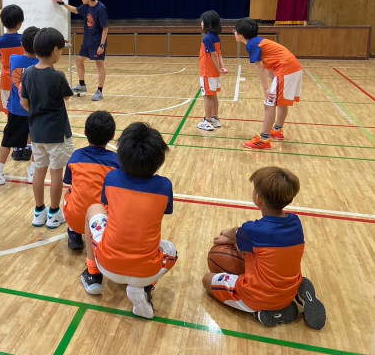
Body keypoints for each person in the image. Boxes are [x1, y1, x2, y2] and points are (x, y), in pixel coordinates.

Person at [202, 166, 326, 329]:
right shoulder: (296, 222)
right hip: (289, 289)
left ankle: (263, 312)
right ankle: (295, 296)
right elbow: (248, 240)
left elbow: (236, 233)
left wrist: (227, 234)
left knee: (207, 280)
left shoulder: (253, 230)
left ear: (258, 198)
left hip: (255, 296)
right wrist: (235, 238)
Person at [80, 122, 178, 320]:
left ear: (121, 154)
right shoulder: (165, 186)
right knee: (171, 251)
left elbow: (107, 205)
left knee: (94, 209)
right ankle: (145, 287)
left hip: (107, 264)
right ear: (159, 159)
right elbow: (165, 211)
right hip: (146, 271)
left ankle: (93, 273)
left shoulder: (112, 178)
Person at [20, 27, 74, 229]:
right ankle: (53, 213)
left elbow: (24, 102)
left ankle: (38, 211)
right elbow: (66, 96)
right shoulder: (57, 76)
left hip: (36, 132)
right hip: (57, 133)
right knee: (56, 173)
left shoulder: (27, 73)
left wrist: (36, 113)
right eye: (61, 50)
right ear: (55, 50)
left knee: (39, 170)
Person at [0, 26, 39, 186]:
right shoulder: (41, 65)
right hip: (35, 111)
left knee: (7, 141)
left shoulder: (14, 59)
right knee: (36, 141)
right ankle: (33, 171)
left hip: (17, 110)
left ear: (22, 44)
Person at [234, 18, 303, 149]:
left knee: (269, 103)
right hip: (293, 68)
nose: (234, 33)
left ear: (240, 34)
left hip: (286, 70)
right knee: (280, 102)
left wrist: (266, 89)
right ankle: (277, 130)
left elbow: (260, 66)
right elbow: (269, 66)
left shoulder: (252, 45)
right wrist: (273, 82)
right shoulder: (259, 42)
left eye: (234, 31)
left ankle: (264, 139)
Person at [62, 111, 121, 250]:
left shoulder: (76, 156)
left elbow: (69, 181)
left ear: (85, 133)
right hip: (103, 222)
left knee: (70, 192)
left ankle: (74, 233)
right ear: (112, 136)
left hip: (76, 219)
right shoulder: (117, 161)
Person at [54, 0, 108, 101]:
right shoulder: (86, 6)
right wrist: (63, 4)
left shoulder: (101, 8)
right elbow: (75, 10)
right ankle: (82, 85)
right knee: (79, 60)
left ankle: (99, 91)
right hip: (87, 41)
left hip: (97, 42)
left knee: (99, 64)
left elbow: (105, 28)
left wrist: (102, 45)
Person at [197, 10, 229, 131]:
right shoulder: (216, 37)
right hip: (214, 73)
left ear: (207, 23)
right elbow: (219, 55)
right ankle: (215, 118)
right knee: (213, 96)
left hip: (208, 72)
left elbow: (214, 55)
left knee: (207, 96)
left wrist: (219, 69)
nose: (201, 23)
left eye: (202, 21)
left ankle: (208, 121)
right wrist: (222, 67)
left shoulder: (208, 38)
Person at [0, 4, 25, 114]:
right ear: (20, 23)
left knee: (9, 111)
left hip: (7, 79)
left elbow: (1, 59)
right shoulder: (24, 39)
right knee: (25, 109)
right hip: (23, 79)